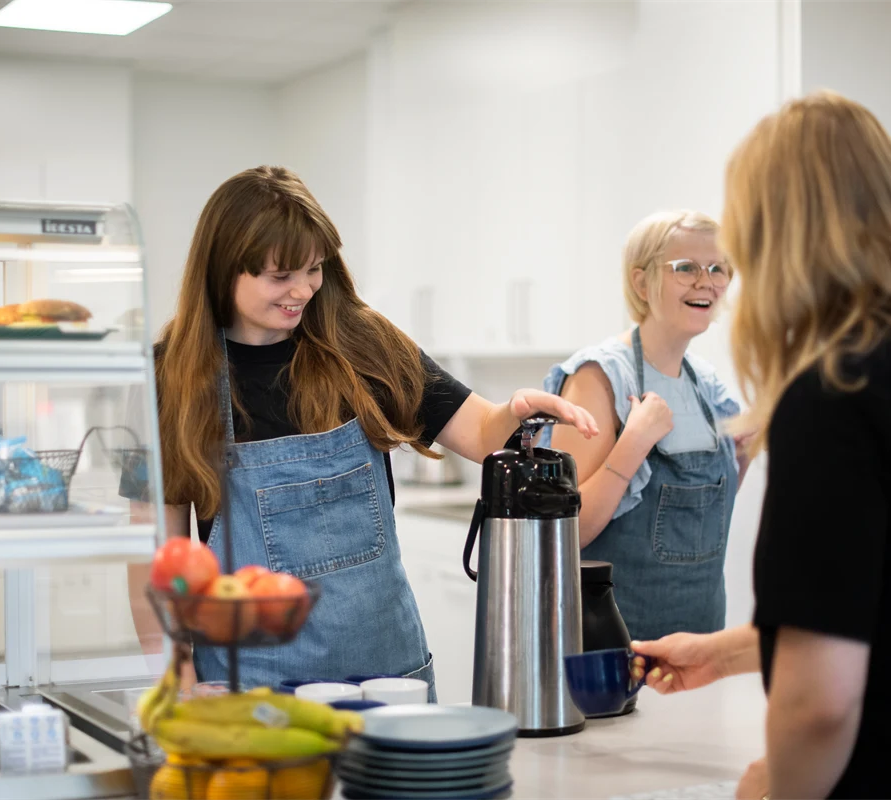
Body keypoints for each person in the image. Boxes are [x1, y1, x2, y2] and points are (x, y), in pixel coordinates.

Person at [634, 91, 891, 799]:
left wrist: (773, 791)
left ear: (771, 242)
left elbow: (820, 706)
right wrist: (722, 655)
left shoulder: (835, 393)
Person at [124, 166, 598, 696]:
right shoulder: (170, 379)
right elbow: (155, 563)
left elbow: (484, 434)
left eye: (314, 269)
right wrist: (178, 682)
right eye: (280, 276)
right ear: (223, 270)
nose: (302, 290)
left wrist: (515, 408)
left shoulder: (362, 343)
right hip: (252, 695)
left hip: (391, 682)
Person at [541, 210, 751, 643]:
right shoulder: (599, 377)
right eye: (686, 268)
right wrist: (633, 442)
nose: (706, 281)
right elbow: (566, 531)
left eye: (718, 268)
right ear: (641, 283)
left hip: (701, 645)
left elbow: (702, 514)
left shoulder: (709, 386)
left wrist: (743, 455)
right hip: (613, 648)